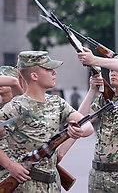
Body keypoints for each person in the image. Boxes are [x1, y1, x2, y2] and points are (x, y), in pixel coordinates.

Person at [0, 51, 93, 192]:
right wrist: (10, 166)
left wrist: (80, 131)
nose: (54, 73)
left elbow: (87, 125)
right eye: (48, 69)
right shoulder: (16, 106)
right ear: (34, 75)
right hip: (25, 185)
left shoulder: (57, 102)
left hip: (52, 184)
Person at [59, 47, 118, 192]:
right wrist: (92, 90)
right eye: (111, 70)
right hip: (98, 173)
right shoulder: (105, 99)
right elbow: (80, 120)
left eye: (117, 70)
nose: (113, 73)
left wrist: (94, 60)